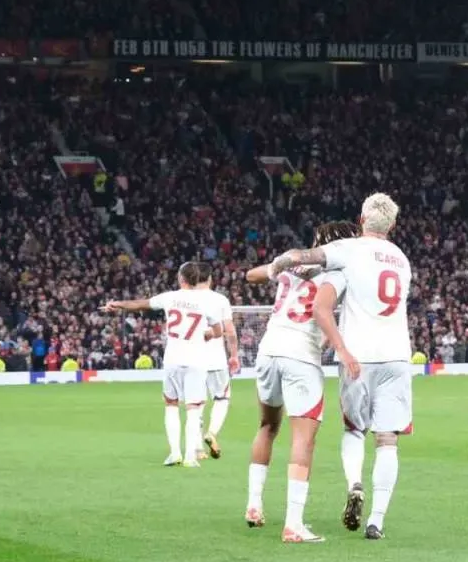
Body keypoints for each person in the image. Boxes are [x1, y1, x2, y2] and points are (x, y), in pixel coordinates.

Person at [269, 193, 412, 541]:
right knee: (387, 439)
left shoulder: (349, 250)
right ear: (393, 225)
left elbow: (305, 257)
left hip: (358, 356)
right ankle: (376, 521)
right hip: (396, 356)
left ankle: (355, 483)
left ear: (361, 220)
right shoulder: (402, 259)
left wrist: (281, 263)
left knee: (354, 430)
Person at [244, 220, 356, 543]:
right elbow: (324, 311)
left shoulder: (292, 263)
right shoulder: (339, 271)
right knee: (303, 439)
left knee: (267, 426)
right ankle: (293, 523)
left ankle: (254, 504)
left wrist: (277, 266)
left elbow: (251, 275)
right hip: (301, 355)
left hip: (268, 350)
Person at [101, 262, 229, 467]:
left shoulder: (170, 297)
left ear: (181, 278)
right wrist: (206, 334)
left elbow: (141, 304)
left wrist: (117, 304)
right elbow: (218, 331)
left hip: (173, 359)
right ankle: (190, 458)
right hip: (196, 360)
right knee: (193, 408)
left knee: (171, 405)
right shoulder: (208, 303)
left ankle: (175, 453)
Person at [199, 270, 239, 459]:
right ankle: (212, 432)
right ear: (209, 279)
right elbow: (229, 330)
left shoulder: (183, 300)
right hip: (215, 359)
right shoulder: (220, 300)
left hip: (191, 358)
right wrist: (234, 355)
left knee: (195, 403)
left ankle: (196, 449)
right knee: (222, 398)